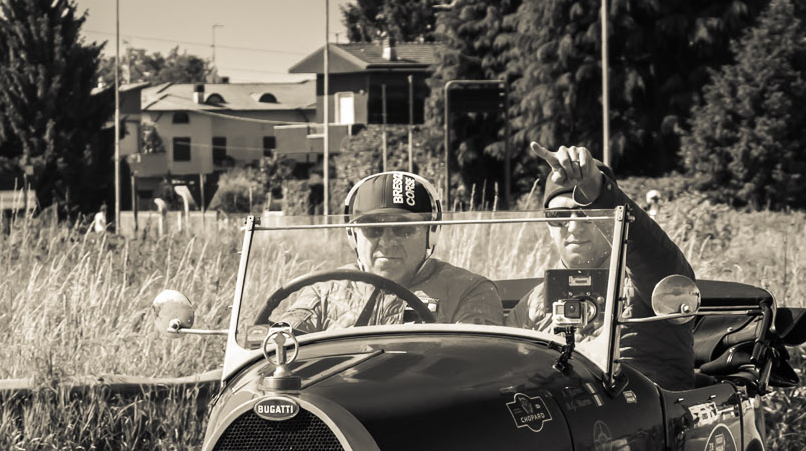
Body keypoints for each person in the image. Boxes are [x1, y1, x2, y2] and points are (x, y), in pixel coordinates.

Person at [509, 142, 698, 383]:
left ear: (611, 222)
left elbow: (659, 261)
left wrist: (597, 190)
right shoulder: (531, 306)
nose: (574, 226)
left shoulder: (648, 286)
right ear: (547, 225)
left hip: (641, 404)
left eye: (587, 213)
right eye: (559, 216)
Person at [277, 170, 504, 330]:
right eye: (372, 228)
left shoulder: (468, 291)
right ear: (352, 235)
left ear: (431, 231)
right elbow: (277, 352)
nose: (387, 242)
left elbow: (477, 368)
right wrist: (330, 346)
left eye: (402, 229)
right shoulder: (323, 291)